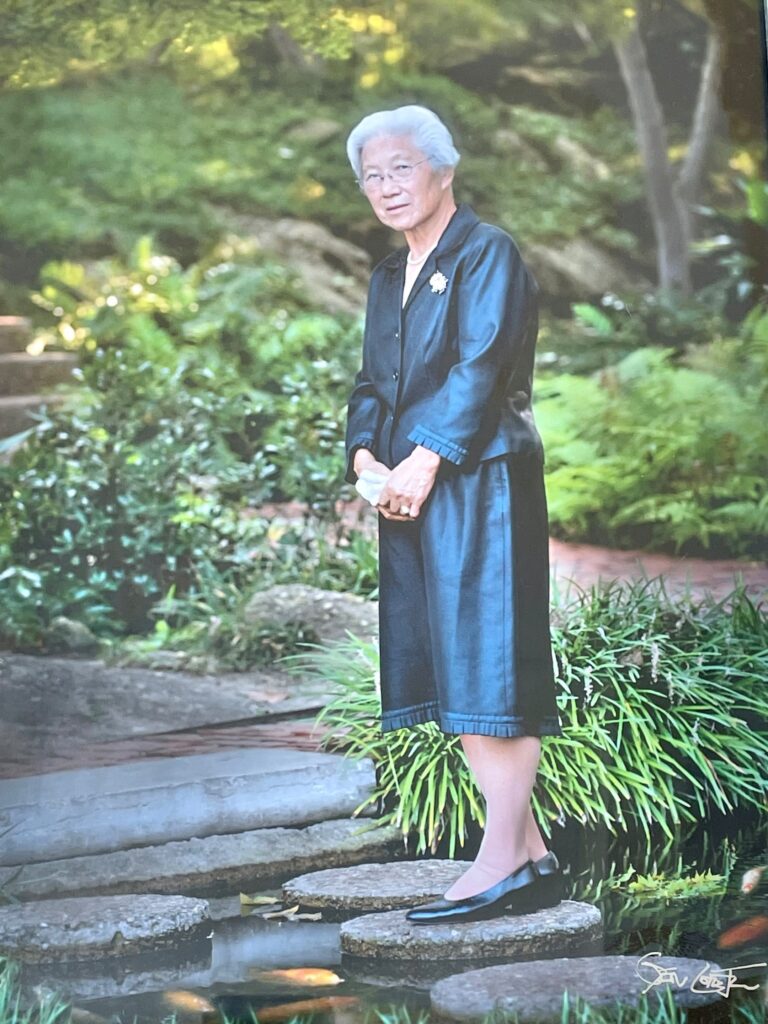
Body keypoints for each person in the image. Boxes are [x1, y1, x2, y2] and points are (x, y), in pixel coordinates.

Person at [343, 104, 564, 924]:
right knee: (454, 664)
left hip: (482, 479)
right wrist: (366, 458)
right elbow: (372, 384)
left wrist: (426, 457)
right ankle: (531, 854)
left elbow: (482, 367)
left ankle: (499, 861)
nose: (387, 186)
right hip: (408, 489)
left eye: (401, 168)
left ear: (444, 170)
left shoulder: (487, 252)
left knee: (489, 661)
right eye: (373, 175)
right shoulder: (386, 275)